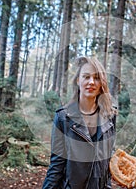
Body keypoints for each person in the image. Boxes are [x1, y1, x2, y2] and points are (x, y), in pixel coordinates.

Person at [42, 56, 118, 189]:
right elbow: (56, 165)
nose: (91, 82)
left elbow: (107, 163)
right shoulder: (63, 117)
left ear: (101, 83)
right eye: (86, 77)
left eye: (96, 78)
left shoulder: (110, 116)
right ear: (78, 80)